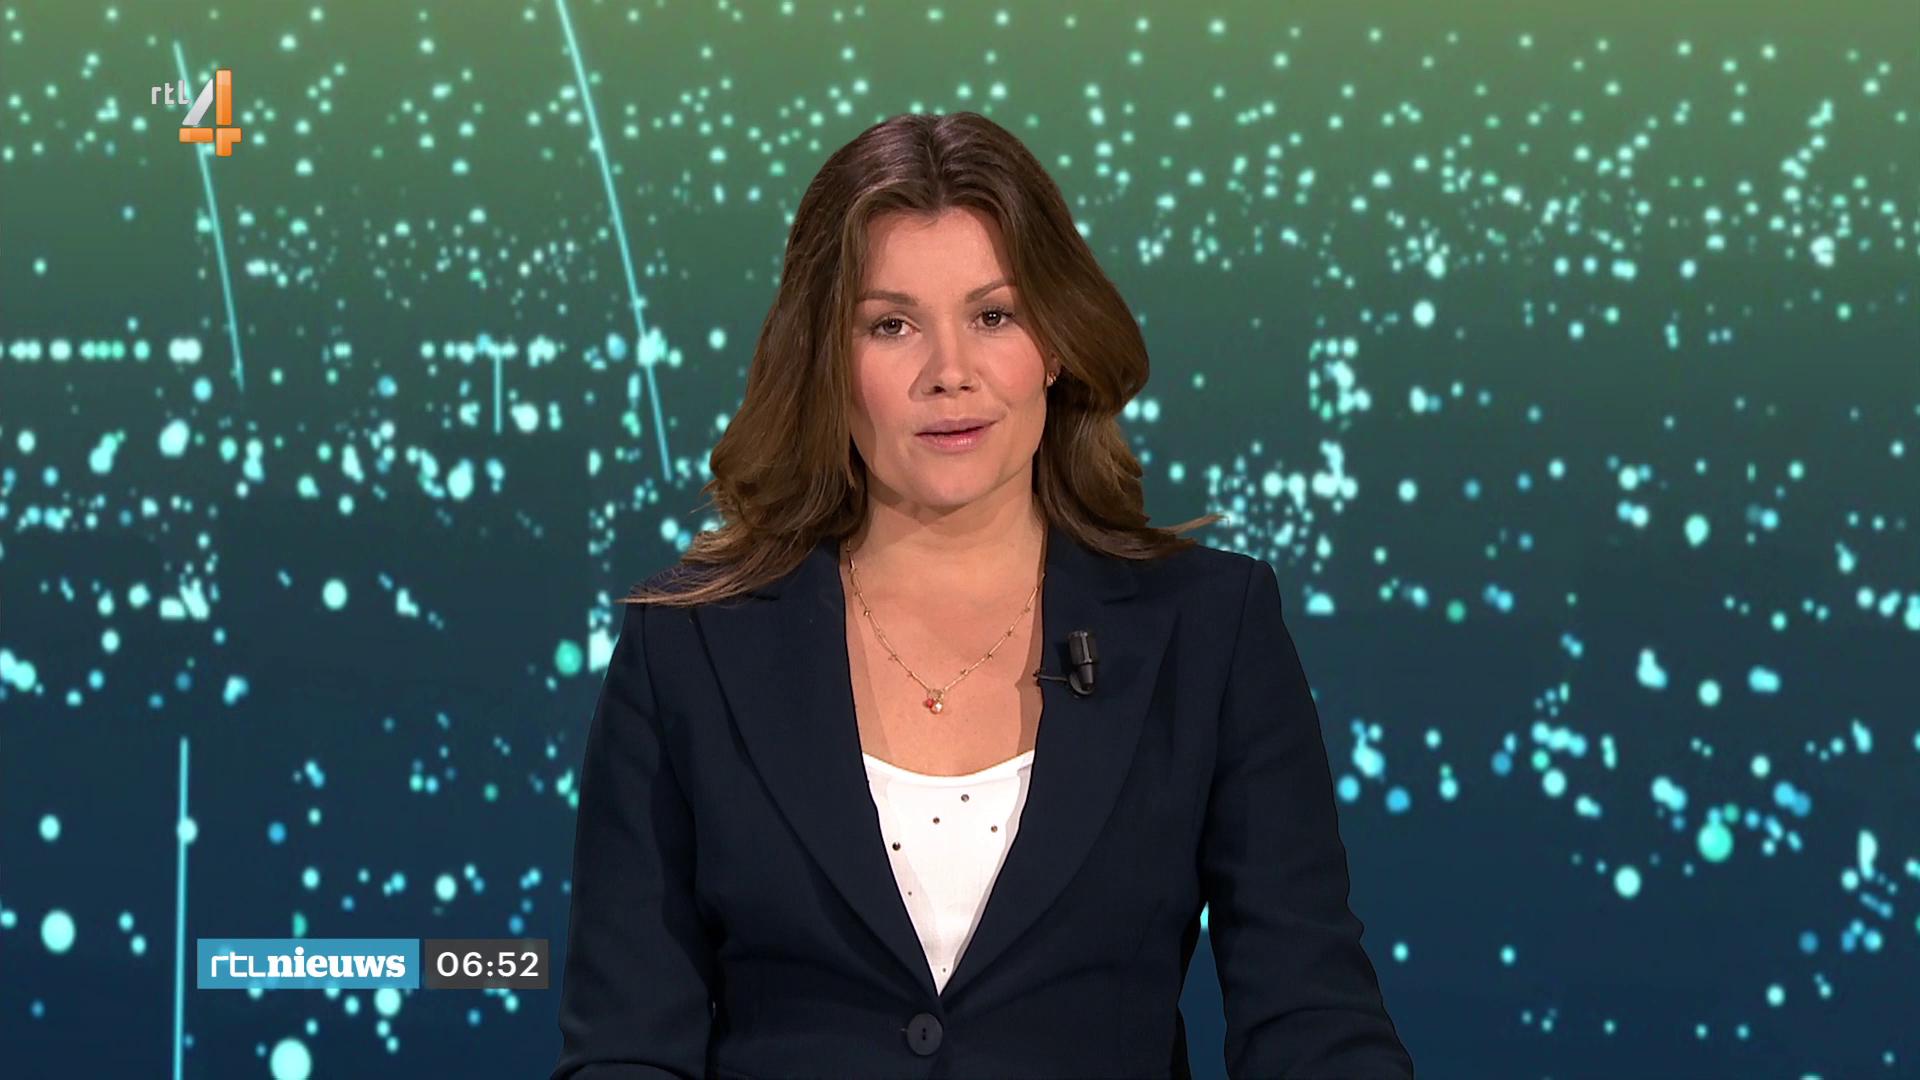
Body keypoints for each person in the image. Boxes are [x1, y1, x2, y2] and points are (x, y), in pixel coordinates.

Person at [552, 111, 1414, 1080]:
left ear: (1055, 343)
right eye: (891, 325)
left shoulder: (1210, 630)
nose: (950, 374)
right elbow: (627, 1050)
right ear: (828, 363)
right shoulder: (689, 649)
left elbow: (1310, 1019)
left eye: (994, 316)